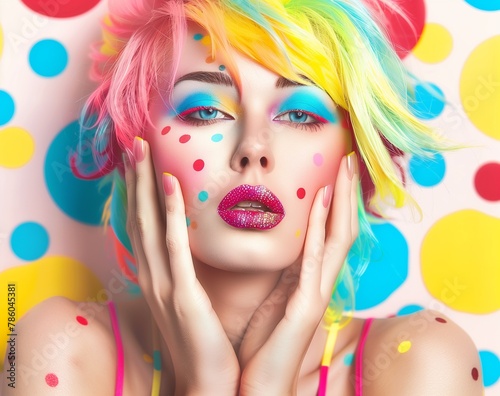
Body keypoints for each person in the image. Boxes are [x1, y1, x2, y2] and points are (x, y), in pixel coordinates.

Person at [2, 0, 483, 395]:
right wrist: (203, 386)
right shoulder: (58, 350)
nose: (253, 148)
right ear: (135, 146)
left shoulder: (421, 364)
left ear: (354, 153)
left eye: (299, 116)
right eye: (206, 110)